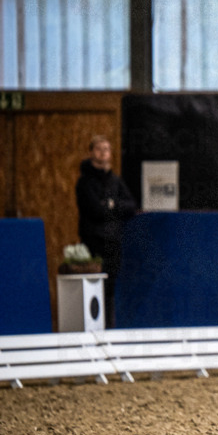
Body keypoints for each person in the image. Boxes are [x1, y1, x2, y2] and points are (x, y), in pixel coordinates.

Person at [76, 135, 137, 327]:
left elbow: (131, 206)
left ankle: (109, 328)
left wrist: (111, 205)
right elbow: (94, 210)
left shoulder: (115, 181)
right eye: (99, 148)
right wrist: (111, 208)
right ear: (92, 152)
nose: (103, 152)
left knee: (110, 288)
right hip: (93, 241)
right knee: (95, 287)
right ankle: (92, 327)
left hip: (113, 241)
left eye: (107, 149)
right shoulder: (85, 182)